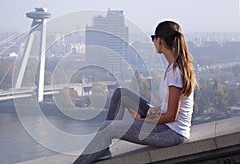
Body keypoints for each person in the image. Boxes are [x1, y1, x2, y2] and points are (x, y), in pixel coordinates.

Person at [73, 20, 198, 164]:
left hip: (171, 133)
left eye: (153, 38)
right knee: (121, 94)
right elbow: (172, 106)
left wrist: (142, 121)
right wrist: (155, 111)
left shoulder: (175, 72)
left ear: (159, 41)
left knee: (108, 127)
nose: (153, 43)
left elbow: (171, 116)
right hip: (166, 125)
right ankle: (103, 147)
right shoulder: (172, 67)